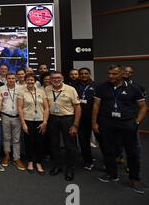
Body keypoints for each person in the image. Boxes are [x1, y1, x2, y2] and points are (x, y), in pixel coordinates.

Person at [92, 65, 147, 194]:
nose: (111, 76)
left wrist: (137, 122)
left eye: (114, 74)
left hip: (127, 123)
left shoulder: (134, 88)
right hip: (107, 122)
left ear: (122, 74)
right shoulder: (102, 87)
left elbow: (143, 107)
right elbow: (96, 105)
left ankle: (134, 178)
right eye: (109, 73)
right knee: (108, 149)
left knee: (131, 151)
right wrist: (94, 122)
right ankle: (112, 174)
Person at [45, 71, 81, 181]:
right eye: (54, 78)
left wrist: (75, 125)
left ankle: (70, 169)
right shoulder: (47, 89)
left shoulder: (71, 89)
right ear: (50, 80)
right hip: (53, 118)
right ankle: (57, 166)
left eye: (58, 77)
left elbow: (78, 108)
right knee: (54, 144)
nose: (56, 80)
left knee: (70, 145)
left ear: (63, 78)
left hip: (68, 119)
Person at [17, 74, 49, 175]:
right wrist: (23, 123)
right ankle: (30, 162)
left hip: (40, 120)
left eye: (32, 80)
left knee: (40, 142)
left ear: (35, 81)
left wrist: (45, 122)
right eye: (28, 80)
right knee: (29, 142)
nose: (30, 81)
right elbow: (20, 108)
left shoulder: (41, 91)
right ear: (25, 81)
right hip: (28, 120)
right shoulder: (22, 92)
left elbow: (47, 108)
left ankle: (39, 163)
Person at [73, 67, 101, 170]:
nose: (84, 75)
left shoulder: (97, 86)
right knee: (83, 140)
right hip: (81, 118)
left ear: (89, 74)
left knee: (102, 140)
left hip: (96, 118)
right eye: (81, 74)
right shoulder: (74, 86)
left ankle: (108, 161)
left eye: (86, 73)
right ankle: (88, 161)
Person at [0, 73, 25, 171]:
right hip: (5, 116)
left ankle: (17, 158)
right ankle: (7, 156)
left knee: (16, 139)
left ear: (16, 79)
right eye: (9, 78)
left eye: (13, 78)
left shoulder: (21, 89)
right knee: (6, 137)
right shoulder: (1, 89)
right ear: (6, 79)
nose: (11, 80)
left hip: (17, 117)